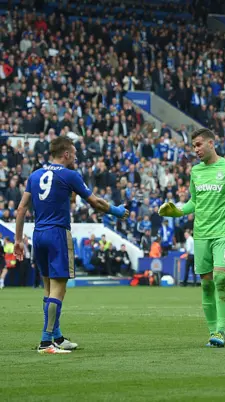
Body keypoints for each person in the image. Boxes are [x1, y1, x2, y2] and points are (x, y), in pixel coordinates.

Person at [13, 136, 129, 354]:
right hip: (57, 233)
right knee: (59, 289)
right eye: (74, 153)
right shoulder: (69, 175)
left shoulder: (35, 175)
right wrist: (116, 211)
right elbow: (95, 201)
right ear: (66, 154)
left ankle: (56, 336)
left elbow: (21, 209)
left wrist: (18, 241)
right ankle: (46, 341)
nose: (76, 157)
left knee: (48, 289)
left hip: (38, 234)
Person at [158, 128, 225, 348]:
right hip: (202, 234)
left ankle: (221, 330)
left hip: (224, 233)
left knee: (221, 278)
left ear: (211, 143)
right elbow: (194, 203)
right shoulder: (196, 172)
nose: (195, 150)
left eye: (198, 144)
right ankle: (213, 332)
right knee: (206, 285)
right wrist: (176, 211)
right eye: (193, 146)